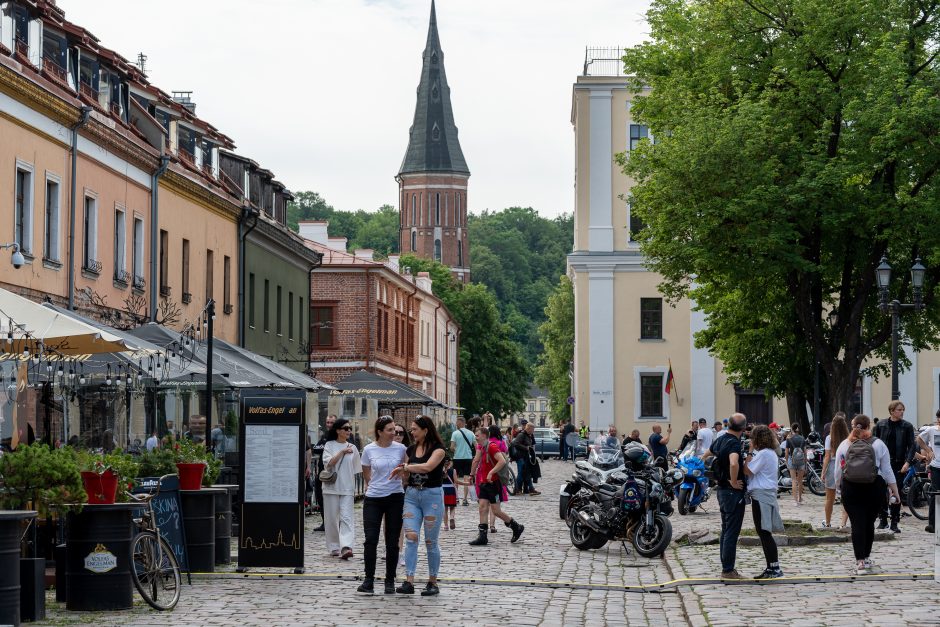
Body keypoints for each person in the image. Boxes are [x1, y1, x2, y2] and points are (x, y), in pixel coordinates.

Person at [834, 414, 900, 575]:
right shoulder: (878, 444)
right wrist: (895, 491)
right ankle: (867, 557)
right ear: (868, 426)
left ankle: (860, 562)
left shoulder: (844, 444)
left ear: (854, 426)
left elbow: (838, 470)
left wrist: (838, 488)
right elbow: (887, 470)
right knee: (869, 522)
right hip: (874, 487)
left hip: (851, 487)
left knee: (856, 523)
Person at [389, 415, 446, 596]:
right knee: (411, 537)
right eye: (411, 429)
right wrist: (402, 474)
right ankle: (409, 580)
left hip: (432, 496)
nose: (411, 432)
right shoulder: (411, 449)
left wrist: (406, 468)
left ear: (425, 430)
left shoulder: (439, 450)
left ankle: (432, 581)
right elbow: (406, 475)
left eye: (414, 429)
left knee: (431, 541)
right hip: (412, 495)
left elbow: (427, 467)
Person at [357, 416, 407, 594]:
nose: (394, 433)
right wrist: (376, 486)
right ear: (380, 432)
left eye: (395, 430)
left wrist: (404, 474)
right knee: (370, 539)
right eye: (390, 430)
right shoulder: (369, 449)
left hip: (395, 497)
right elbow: (367, 474)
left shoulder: (401, 449)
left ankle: (389, 580)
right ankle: (368, 580)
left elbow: (406, 472)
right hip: (374, 498)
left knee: (392, 541)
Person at [703, 412, 747, 579]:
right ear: (743, 428)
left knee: (725, 528)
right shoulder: (734, 443)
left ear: (728, 425)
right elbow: (734, 462)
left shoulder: (721, 439)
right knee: (731, 531)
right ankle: (728, 569)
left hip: (721, 490)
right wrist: (734, 481)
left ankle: (726, 566)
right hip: (732, 492)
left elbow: (706, 454)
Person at [465, 426, 524, 545]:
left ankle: (516, 526)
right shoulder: (481, 447)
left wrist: (491, 472)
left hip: (493, 483)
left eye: (477, 435)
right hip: (483, 482)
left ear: (484, 436)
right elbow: (476, 460)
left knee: (496, 511)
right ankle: (482, 536)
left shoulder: (492, 446)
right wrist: (472, 475)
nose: (475, 437)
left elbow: (501, 461)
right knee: (482, 507)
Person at [742, 424, 784, 578]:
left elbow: (747, 470)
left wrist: (749, 451)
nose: (751, 440)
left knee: (764, 532)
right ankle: (772, 567)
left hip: (762, 494)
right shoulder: (770, 453)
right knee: (763, 531)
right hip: (764, 493)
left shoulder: (764, 454)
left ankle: (774, 567)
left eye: (753, 438)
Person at [321, 418, 362, 560]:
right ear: (338, 430)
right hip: (331, 487)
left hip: (347, 488)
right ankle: (333, 546)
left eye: (350, 428)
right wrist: (342, 452)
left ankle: (346, 547)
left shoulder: (353, 447)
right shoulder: (329, 445)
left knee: (346, 517)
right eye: (346, 428)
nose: (349, 431)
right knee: (332, 518)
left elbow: (357, 469)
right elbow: (329, 464)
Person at [873, 401, 915, 533]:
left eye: (903, 409)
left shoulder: (907, 426)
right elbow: (874, 443)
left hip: (898, 463)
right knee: (881, 492)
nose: (901, 412)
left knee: (896, 492)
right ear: (891, 411)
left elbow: (912, 446)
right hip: (882, 463)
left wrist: (907, 462)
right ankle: (883, 519)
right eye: (899, 409)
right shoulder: (881, 425)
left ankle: (895, 522)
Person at [821, 413, 850, 529]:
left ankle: (827, 522)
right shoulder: (848, 438)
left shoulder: (829, 438)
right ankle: (843, 523)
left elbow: (827, 456)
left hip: (833, 465)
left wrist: (823, 472)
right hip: (845, 466)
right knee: (846, 498)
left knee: (829, 498)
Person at [915, 409, 940, 533]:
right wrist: (928, 450)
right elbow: (919, 439)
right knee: (935, 493)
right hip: (936, 465)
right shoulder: (931, 430)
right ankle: (932, 524)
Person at [311, 414, 337, 532]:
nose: (329, 425)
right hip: (322, 472)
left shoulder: (339, 436)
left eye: (332, 423)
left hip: (333, 473)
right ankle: (325, 523)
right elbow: (316, 448)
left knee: (332, 499)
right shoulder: (325, 436)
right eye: (328, 422)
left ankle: (333, 523)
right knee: (320, 497)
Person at [449, 417, 476, 506]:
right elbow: (476, 446)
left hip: (457, 458)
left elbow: (452, 447)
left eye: (457, 422)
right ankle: (465, 499)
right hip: (468, 458)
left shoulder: (455, 433)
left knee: (455, 478)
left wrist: (456, 449)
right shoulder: (471, 433)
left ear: (461, 422)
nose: (456, 424)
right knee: (466, 478)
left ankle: (456, 498)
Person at [511, 423, 540, 495]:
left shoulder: (528, 435)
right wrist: (526, 448)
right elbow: (516, 444)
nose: (533, 431)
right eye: (533, 429)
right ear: (529, 428)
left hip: (526, 457)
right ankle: (517, 489)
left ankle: (530, 489)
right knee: (520, 474)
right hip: (520, 457)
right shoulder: (521, 435)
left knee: (527, 473)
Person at [786, 423, 807, 506]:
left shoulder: (789, 439)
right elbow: (805, 452)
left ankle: (795, 501)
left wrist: (787, 461)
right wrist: (805, 462)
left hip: (792, 460)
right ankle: (800, 498)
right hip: (801, 461)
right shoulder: (802, 439)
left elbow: (787, 453)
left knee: (794, 480)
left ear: (792, 429)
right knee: (800, 480)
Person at [442, 458, 458, 530]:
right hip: (451, 489)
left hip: (443, 490)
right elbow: (456, 481)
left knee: (445, 509)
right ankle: (451, 518)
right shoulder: (453, 470)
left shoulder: (440, 471)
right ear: (450, 463)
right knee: (452, 507)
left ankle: (446, 526)